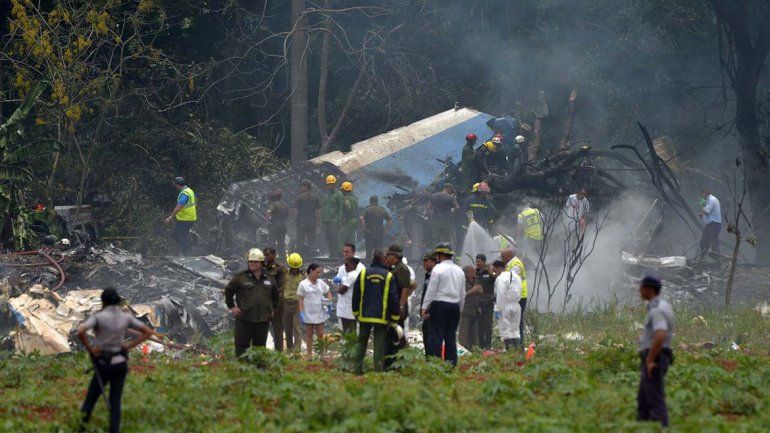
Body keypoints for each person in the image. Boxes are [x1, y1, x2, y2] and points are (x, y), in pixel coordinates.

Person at [77, 288, 153, 433]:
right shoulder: (125, 317)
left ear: (103, 301)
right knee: (115, 402)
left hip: (103, 363)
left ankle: (81, 429)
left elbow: (81, 330)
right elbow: (147, 332)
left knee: (91, 399)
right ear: (117, 302)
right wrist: (129, 346)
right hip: (120, 362)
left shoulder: (99, 317)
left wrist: (91, 349)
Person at [352, 249, 400, 374]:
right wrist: (394, 317)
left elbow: (356, 294)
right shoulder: (388, 276)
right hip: (381, 317)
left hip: (364, 316)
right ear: (383, 260)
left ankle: (357, 370)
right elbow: (394, 298)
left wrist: (356, 312)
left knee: (361, 343)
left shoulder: (363, 273)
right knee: (379, 345)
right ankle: (377, 372)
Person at [224, 248, 280, 357]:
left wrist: (273, 309)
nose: (252, 264)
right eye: (250, 261)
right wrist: (232, 306)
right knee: (242, 349)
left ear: (261, 263)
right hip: (245, 319)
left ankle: (259, 371)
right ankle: (242, 371)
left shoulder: (269, 278)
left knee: (259, 349)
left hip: (262, 320)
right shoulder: (241, 277)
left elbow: (275, 294)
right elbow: (228, 290)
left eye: (255, 262)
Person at [637, 275, 675, 427]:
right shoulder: (662, 306)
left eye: (642, 287)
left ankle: (660, 427)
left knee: (654, 397)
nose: (639, 290)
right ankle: (642, 426)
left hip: (657, 356)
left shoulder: (657, 310)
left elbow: (660, 335)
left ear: (649, 289)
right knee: (644, 398)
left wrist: (650, 359)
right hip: (658, 355)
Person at [421, 243, 465, 366]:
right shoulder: (459, 270)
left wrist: (425, 307)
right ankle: (451, 365)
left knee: (437, 336)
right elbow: (463, 293)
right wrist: (460, 308)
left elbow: (431, 290)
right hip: (454, 306)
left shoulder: (438, 269)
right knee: (451, 337)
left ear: (440, 255)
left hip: (439, 305)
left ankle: (436, 364)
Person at [384, 244, 414, 369]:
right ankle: (391, 361)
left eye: (388, 254)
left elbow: (406, 288)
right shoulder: (393, 268)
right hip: (392, 307)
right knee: (391, 335)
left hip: (397, 308)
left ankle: (398, 363)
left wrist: (401, 306)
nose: (386, 257)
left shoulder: (401, 269)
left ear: (395, 255)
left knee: (397, 335)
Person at [297, 263, 332, 359]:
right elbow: (300, 299)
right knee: (309, 334)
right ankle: (309, 355)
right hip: (308, 313)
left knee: (320, 334)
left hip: (320, 311)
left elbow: (328, 292)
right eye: (317, 272)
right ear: (311, 271)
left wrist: (329, 303)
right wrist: (301, 312)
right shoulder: (303, 284)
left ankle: (322, 355)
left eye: (319, 272)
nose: (319, 274)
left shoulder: (321, 283)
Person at [332, 243, 366, 335]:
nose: (345, 253)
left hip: (354, 305)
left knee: (354, 335)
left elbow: (345, 286)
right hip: (342, 305)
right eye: (343, 251)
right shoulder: (342, 267)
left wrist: (342, 281)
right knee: (343, 334)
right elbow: (336, 283)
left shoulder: (360, 267)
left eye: (347, 252)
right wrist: (335, 282)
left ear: (353, 252)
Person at [492, 259, 522, 350]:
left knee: (505, 330)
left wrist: (497, 309)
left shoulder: (501, 278)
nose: (494, 273)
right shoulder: (517, 276)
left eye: (494, 270)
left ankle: (510, 352)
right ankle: (517, 351)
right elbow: (520, 290)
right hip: (516, 305)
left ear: (499, 268)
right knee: (515, 330)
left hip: (505, 306)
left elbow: (501, 294)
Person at [164, 176, 196, 256]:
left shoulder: (184, 194)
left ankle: (187, 254)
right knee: (174, 235)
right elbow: (196, 201)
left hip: (186, 219)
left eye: (175, 185)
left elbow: (179, 207)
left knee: (182, 237)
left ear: (178, 185)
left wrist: (171, 217)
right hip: (185, 219)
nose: (175, 187)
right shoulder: (189, 190)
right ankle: (187, 249)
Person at [264, 247, 288, 351]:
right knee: (262, 328)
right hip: (264, 303)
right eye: (264, 255)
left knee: (277, 329)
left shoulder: (280, 268)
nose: (265, 257)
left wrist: (275, 306)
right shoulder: (262, 267)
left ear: (274, 255)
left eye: (267, 255)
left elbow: (281, 289)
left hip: (276, 304)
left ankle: (279, 352)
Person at [502, 248, 528, 342]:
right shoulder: (510, 264)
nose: (501, 259)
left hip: (520, 297)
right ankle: (513, 344)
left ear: (508, 256)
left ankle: (519, 345)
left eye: (503, 257)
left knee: (517, 321)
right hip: (513, 297)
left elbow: (509, 279)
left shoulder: (516, 264)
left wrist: (496, 273)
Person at [283, 253, 305, 351]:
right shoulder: (284, 274)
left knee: (297, 328)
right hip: (286, 303)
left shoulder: (303, 275)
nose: (295, 269)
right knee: (287, 329)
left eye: (296, 268)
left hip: (297, 304)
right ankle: (289, 348)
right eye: (293, 267)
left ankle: (297, 350)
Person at [294, 180, 321, 258]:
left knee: (300, 240)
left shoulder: (299, 197)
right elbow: (319, 209)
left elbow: (294, 209)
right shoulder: (315, 197)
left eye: (302, 186)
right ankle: (310, 257)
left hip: (301, 222)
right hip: (312, 222)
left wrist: (295, 219)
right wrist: (316, 219)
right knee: (311, 241)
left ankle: (300, 257)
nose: (301, 188)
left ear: (306, 186)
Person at [475, 254, 496, 349]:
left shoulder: (489, 272)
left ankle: (488, 346)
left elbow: (497, 280)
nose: (478, 263)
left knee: (488, 325)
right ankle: (480, 346)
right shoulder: (476, 273)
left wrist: (491, 272)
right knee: (480, 325)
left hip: (488, 302)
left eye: (479, 261)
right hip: (478, 303)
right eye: (476, 261)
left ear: (484, 262)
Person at [458, 266, 482, 350]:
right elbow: (460, 296)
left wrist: (480, 291)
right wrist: (472, 291)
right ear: (467, 273)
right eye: (471, 271)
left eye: (474, 271)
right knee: (464, 331)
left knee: (474, 332)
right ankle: (463, 348)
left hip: (476, 310)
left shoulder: (477, 281)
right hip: (466, 310)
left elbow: (482, 294)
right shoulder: (462, 282)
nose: (474, 272)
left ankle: (473, 349)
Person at [419, 253, 438, 355]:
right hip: (426, 314)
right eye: (423, 260)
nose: (424, 263)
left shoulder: (436, 275)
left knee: (432, 340)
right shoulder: (428, 275)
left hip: (432, 314)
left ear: (433, 262)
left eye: (426, 260)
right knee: (426, 339)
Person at [321, 175, 344, 257]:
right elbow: (325, 209)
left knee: (335, 238)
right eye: (328, 184)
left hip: (334, 221)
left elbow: (341, 208)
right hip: (327, 220)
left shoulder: (339, 195)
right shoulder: (327, 195)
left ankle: (336, 255)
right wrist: (322, 221)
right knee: (328, 238)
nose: (329, 186)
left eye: (331, 184)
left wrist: (340, 220)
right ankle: (332, 254)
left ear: (335, 184)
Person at [698, 189, 722, 258]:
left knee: (714, 243)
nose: (701, 198)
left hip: (713, 225)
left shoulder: (712, 200)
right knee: (703, 243)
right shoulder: (708, 201)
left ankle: (718, 263)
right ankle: (701, 260)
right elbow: (708, 215)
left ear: (705, 193)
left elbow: (707, 212)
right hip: (709, 226)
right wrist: (702, 216)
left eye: (701, 195)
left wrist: (702, 204)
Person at [266, 190, 290, 257]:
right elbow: (287, 214)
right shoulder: (285, 205)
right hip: (283, 226)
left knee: (271, 242)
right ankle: (282, 259)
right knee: (281, 243)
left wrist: (267, 220)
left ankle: (270, 258)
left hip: (274, 225)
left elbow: (268, 212)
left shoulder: (273, 205)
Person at [338, 181, 359, 249]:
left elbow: (348, 207)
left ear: (344, 190)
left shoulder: (346, 199)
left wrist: (345, 218)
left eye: (342, 190)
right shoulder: (354, 199)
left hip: (349, 220)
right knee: (351, 238)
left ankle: (340, 255)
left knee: (341, 237)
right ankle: (351, 254)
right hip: (354, 220)